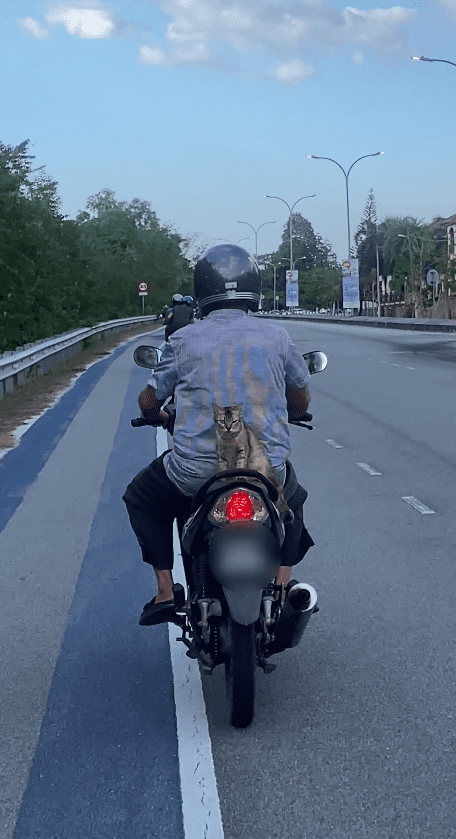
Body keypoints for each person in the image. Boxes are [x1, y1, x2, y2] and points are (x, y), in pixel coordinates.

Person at [123, 244, 314, 626]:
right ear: (253, 287)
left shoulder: (183, 340)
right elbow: (300, 393)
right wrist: (294, 413)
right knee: (293, 502)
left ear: (203, 290)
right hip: (264, 469)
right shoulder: (277, 337)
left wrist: (156, 415)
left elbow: (148, 399)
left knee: (141, 497)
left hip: (195, 472)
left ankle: (165, 591)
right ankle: (283, 586)